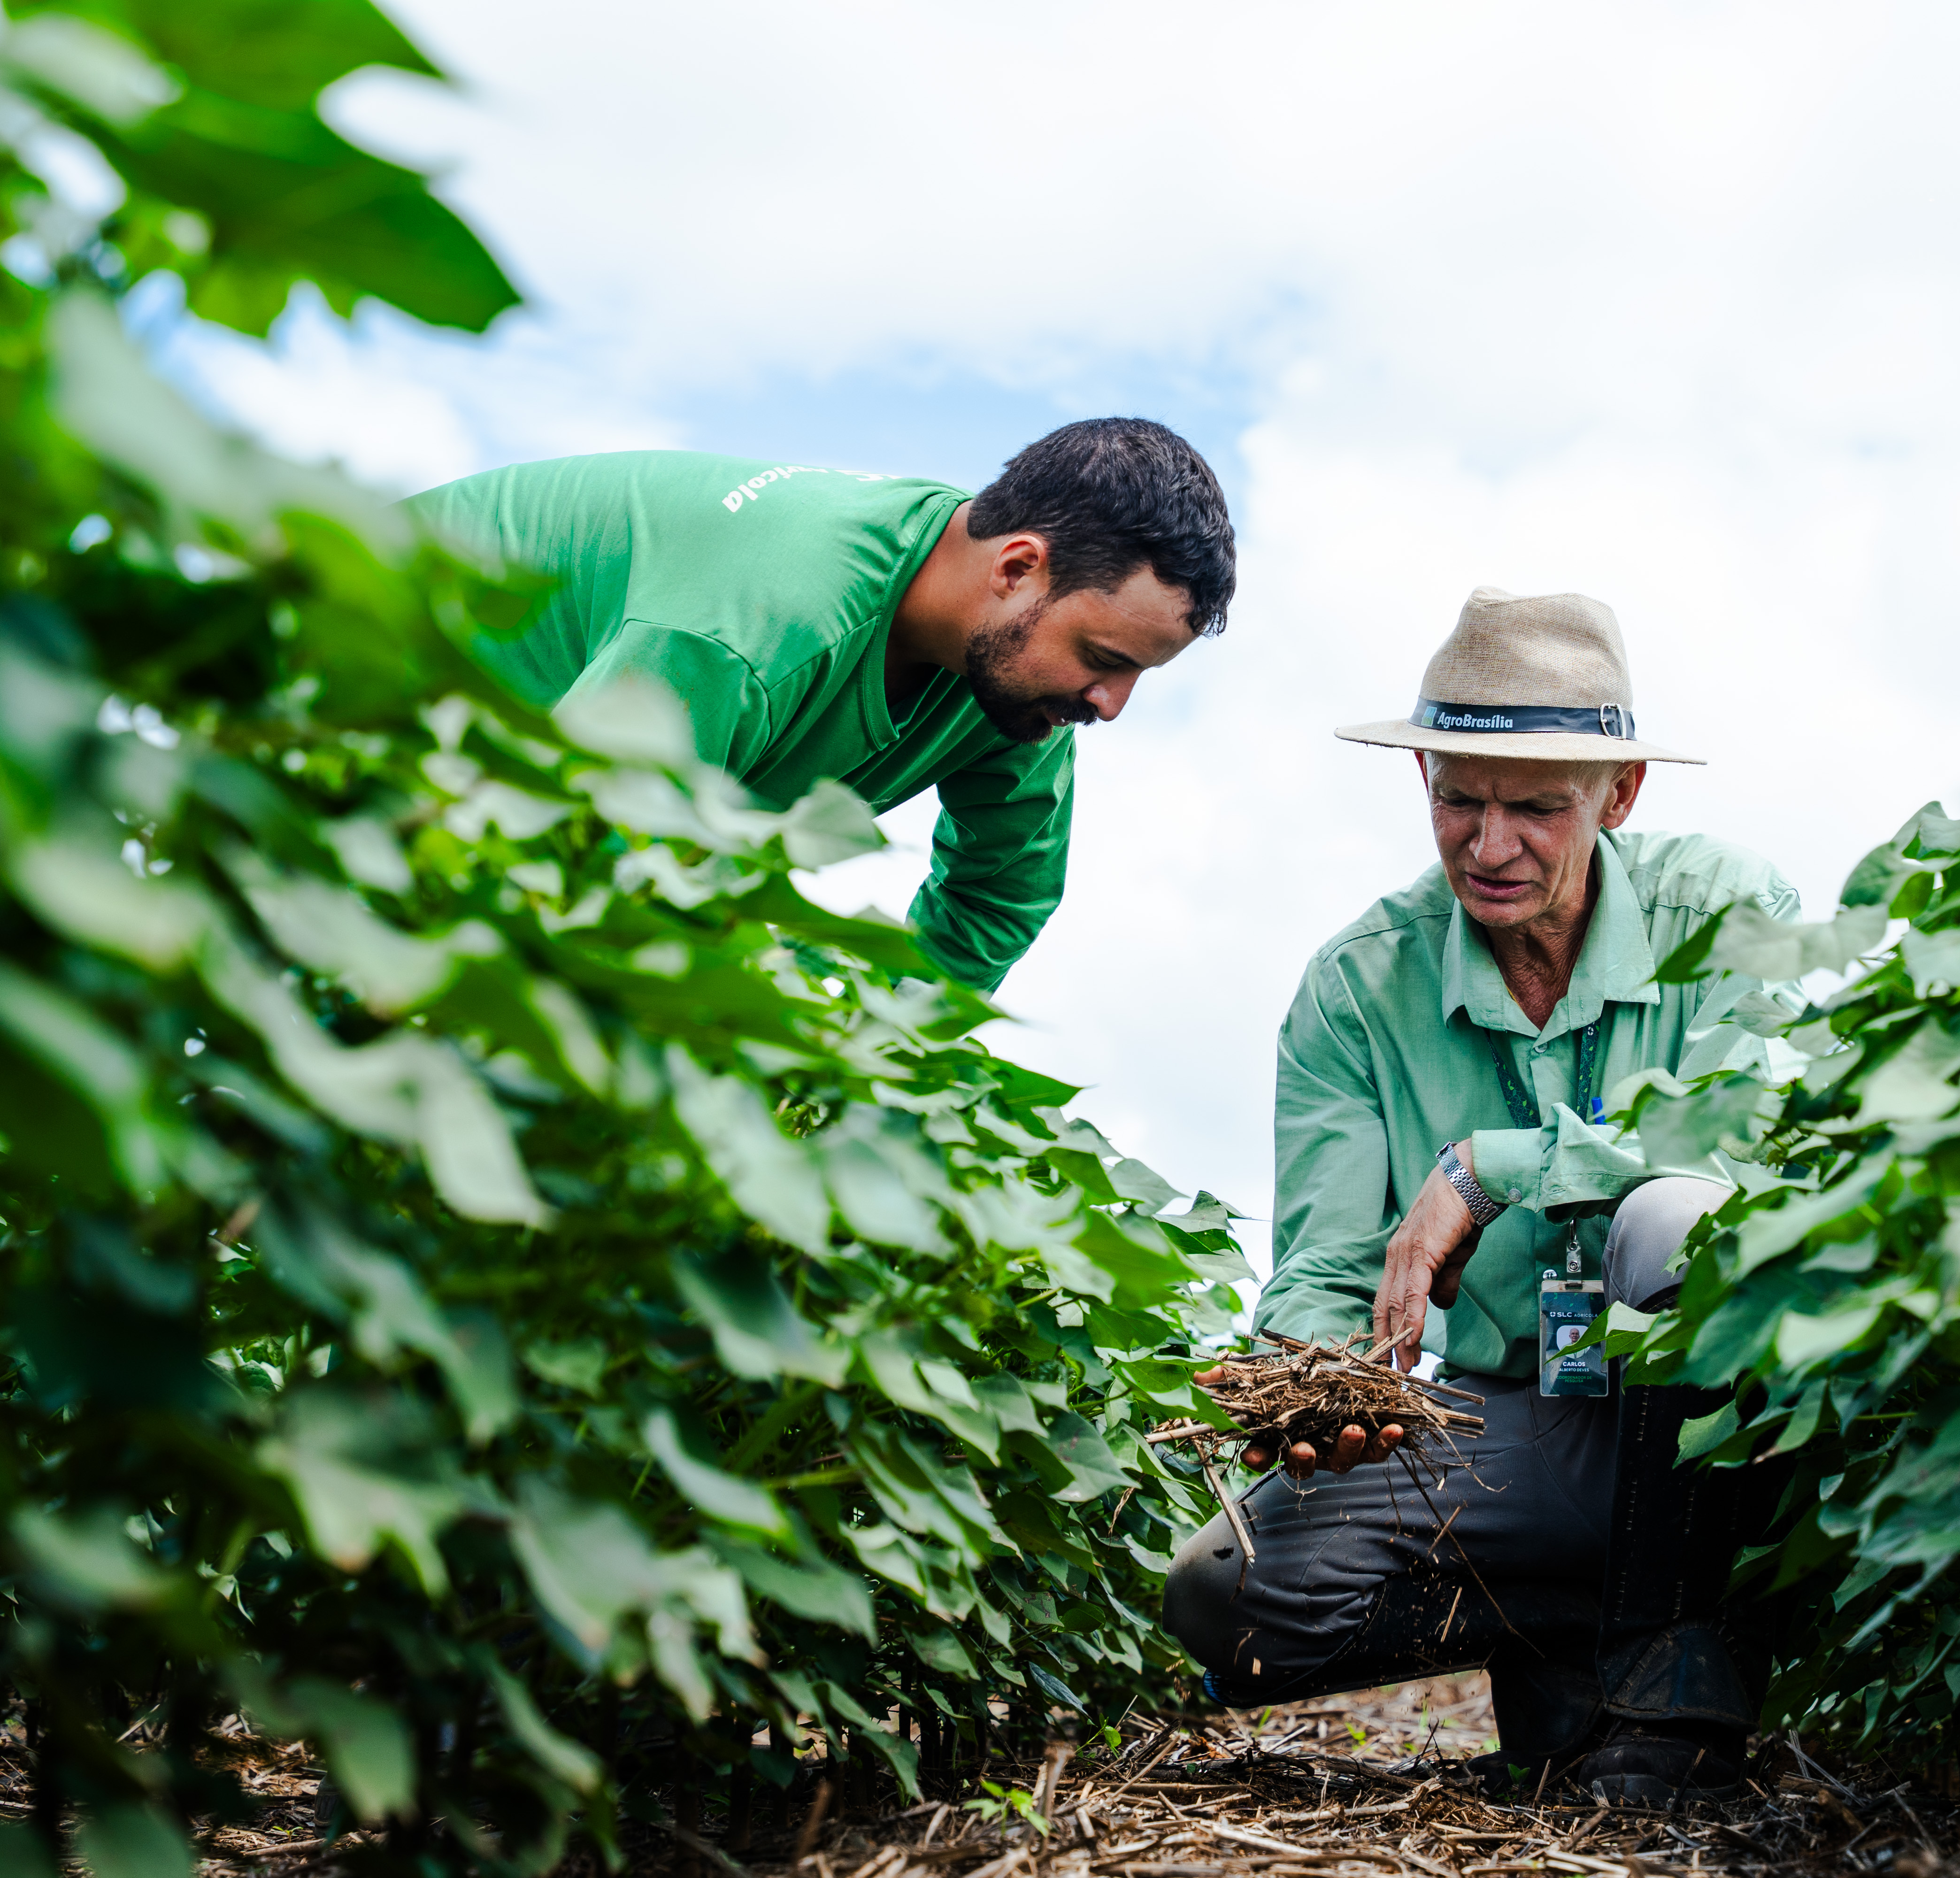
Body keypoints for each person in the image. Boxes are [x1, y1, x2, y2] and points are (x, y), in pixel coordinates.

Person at [1165, 587, 1802, 1806]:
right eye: (1459, 796)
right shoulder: (1358, 988)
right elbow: (1327, 1258)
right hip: (1523, 1426)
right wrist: (1307, 1369)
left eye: (1534, 808)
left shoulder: (1727, 908)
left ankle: (1672, 1717)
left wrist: (1489, 1169)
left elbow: (1747, 1137)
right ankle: (1603, 1632)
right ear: (1421, 774)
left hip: (1731, 1427)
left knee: (1673, 1221)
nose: (1488, 845)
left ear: (1620, 798)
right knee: (1229, 1593)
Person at [407, 418, 1235, 991]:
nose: (1111, 705)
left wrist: (856, 1043)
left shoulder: (1021, 685)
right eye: (1104, 660)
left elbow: (997, 898)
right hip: (338, 708)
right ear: (1018, 569)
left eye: (1137, 677)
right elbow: (570, 857)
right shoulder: (751, 630)